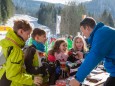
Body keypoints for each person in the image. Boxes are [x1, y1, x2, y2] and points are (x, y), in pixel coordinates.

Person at [70, 17, 115, 86]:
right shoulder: (103, 31)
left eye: (82, 31)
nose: (83, 34)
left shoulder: (101, 34)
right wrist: (84, 55)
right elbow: (100, 54)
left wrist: (78, 79)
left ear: (87, 28)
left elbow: (95, 56)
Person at [0, 19, 43, 86]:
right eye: (28, 34)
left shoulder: (8, 44)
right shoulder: (16, 50)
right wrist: (32, 79)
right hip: (11, 83)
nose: (29, 37)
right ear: (21, 31)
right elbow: (12, 75)